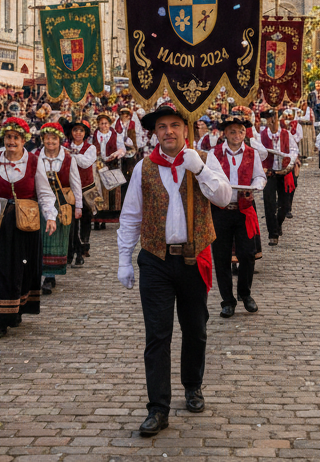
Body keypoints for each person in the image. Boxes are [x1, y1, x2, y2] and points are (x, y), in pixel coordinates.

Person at [117, 105, 232, 437]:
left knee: (196, 329)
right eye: (162, 127)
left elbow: (224, 198)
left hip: (194, 258)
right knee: (157, 335)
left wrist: (200, 169)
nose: (168, 131)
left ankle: (193, 385)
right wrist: (124, 259)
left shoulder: (204, 160)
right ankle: (158, 407)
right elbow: (130, 216)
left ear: (186, 129)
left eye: (175, 126)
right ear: (155, 133)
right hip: (156, 259)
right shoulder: (143, 168)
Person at [0, 118, 57, 340]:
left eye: (16, 137)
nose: (11, 141)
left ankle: (16, 309)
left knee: (22, 270)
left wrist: (50, 216)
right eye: (8, 137)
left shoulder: (34, 161)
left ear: (23, 140)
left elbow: (44, 192)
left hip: (26, 224)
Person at [204, 113, 265, 317]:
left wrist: (254, 187)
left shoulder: (252, 153)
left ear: (245, 133)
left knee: (247, 253)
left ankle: (245, 293)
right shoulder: (214, 154)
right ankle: (227, 300)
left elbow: (259, 176)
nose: (237, 135)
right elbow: (209, 178)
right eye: (232, 131)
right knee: (221, 256)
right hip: (221, 210)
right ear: (225, 134)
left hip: (244, 209)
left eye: (240, 131)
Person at [35, 120, 82, 294]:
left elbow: (76, 183)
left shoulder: (69, 158)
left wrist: (79, 206)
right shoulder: (35, 156)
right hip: (40, 203)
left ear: (59, 140)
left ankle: (50, 275)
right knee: (41, 238)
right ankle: (41, 272)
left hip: (62, 204)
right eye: (47, 139)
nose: (50, 143)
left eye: (54, 139)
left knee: (56, 239)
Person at [254, 109, 297, 246]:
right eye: (269, 118)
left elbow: (294, 150)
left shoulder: (286, 134)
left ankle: (278, 224)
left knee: (284, 205)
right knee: (269, 203)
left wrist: (290, 162)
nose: (272, 120)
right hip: (269, 173)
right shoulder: (261, 136)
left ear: (278, 118)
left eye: (274, 117)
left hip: (284, 173)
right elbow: (258, 154)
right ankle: (273, 234)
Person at [66, 119, 98, 266]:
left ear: (85, 134)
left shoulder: (90, 148)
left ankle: (85, 243)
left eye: (81, 130)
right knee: (73, 218)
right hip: (71, 187)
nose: (78, 133)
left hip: (87, 186)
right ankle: (74, 247)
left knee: (87, 217)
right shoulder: (65, 146)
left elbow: (86, 162)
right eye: (75, 130)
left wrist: (72, 155)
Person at [93, 112, 127, 229]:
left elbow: (122, 149)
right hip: (97, 166)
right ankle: (97, 219)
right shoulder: (93, 136)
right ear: (98, 124)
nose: (104, 126)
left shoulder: (116, 135)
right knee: (98, 191)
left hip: (111, 165)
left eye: (106, 123)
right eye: (102, 124)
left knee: (110, 191)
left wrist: (117, 154)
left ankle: (106, 219)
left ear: (109, 124)